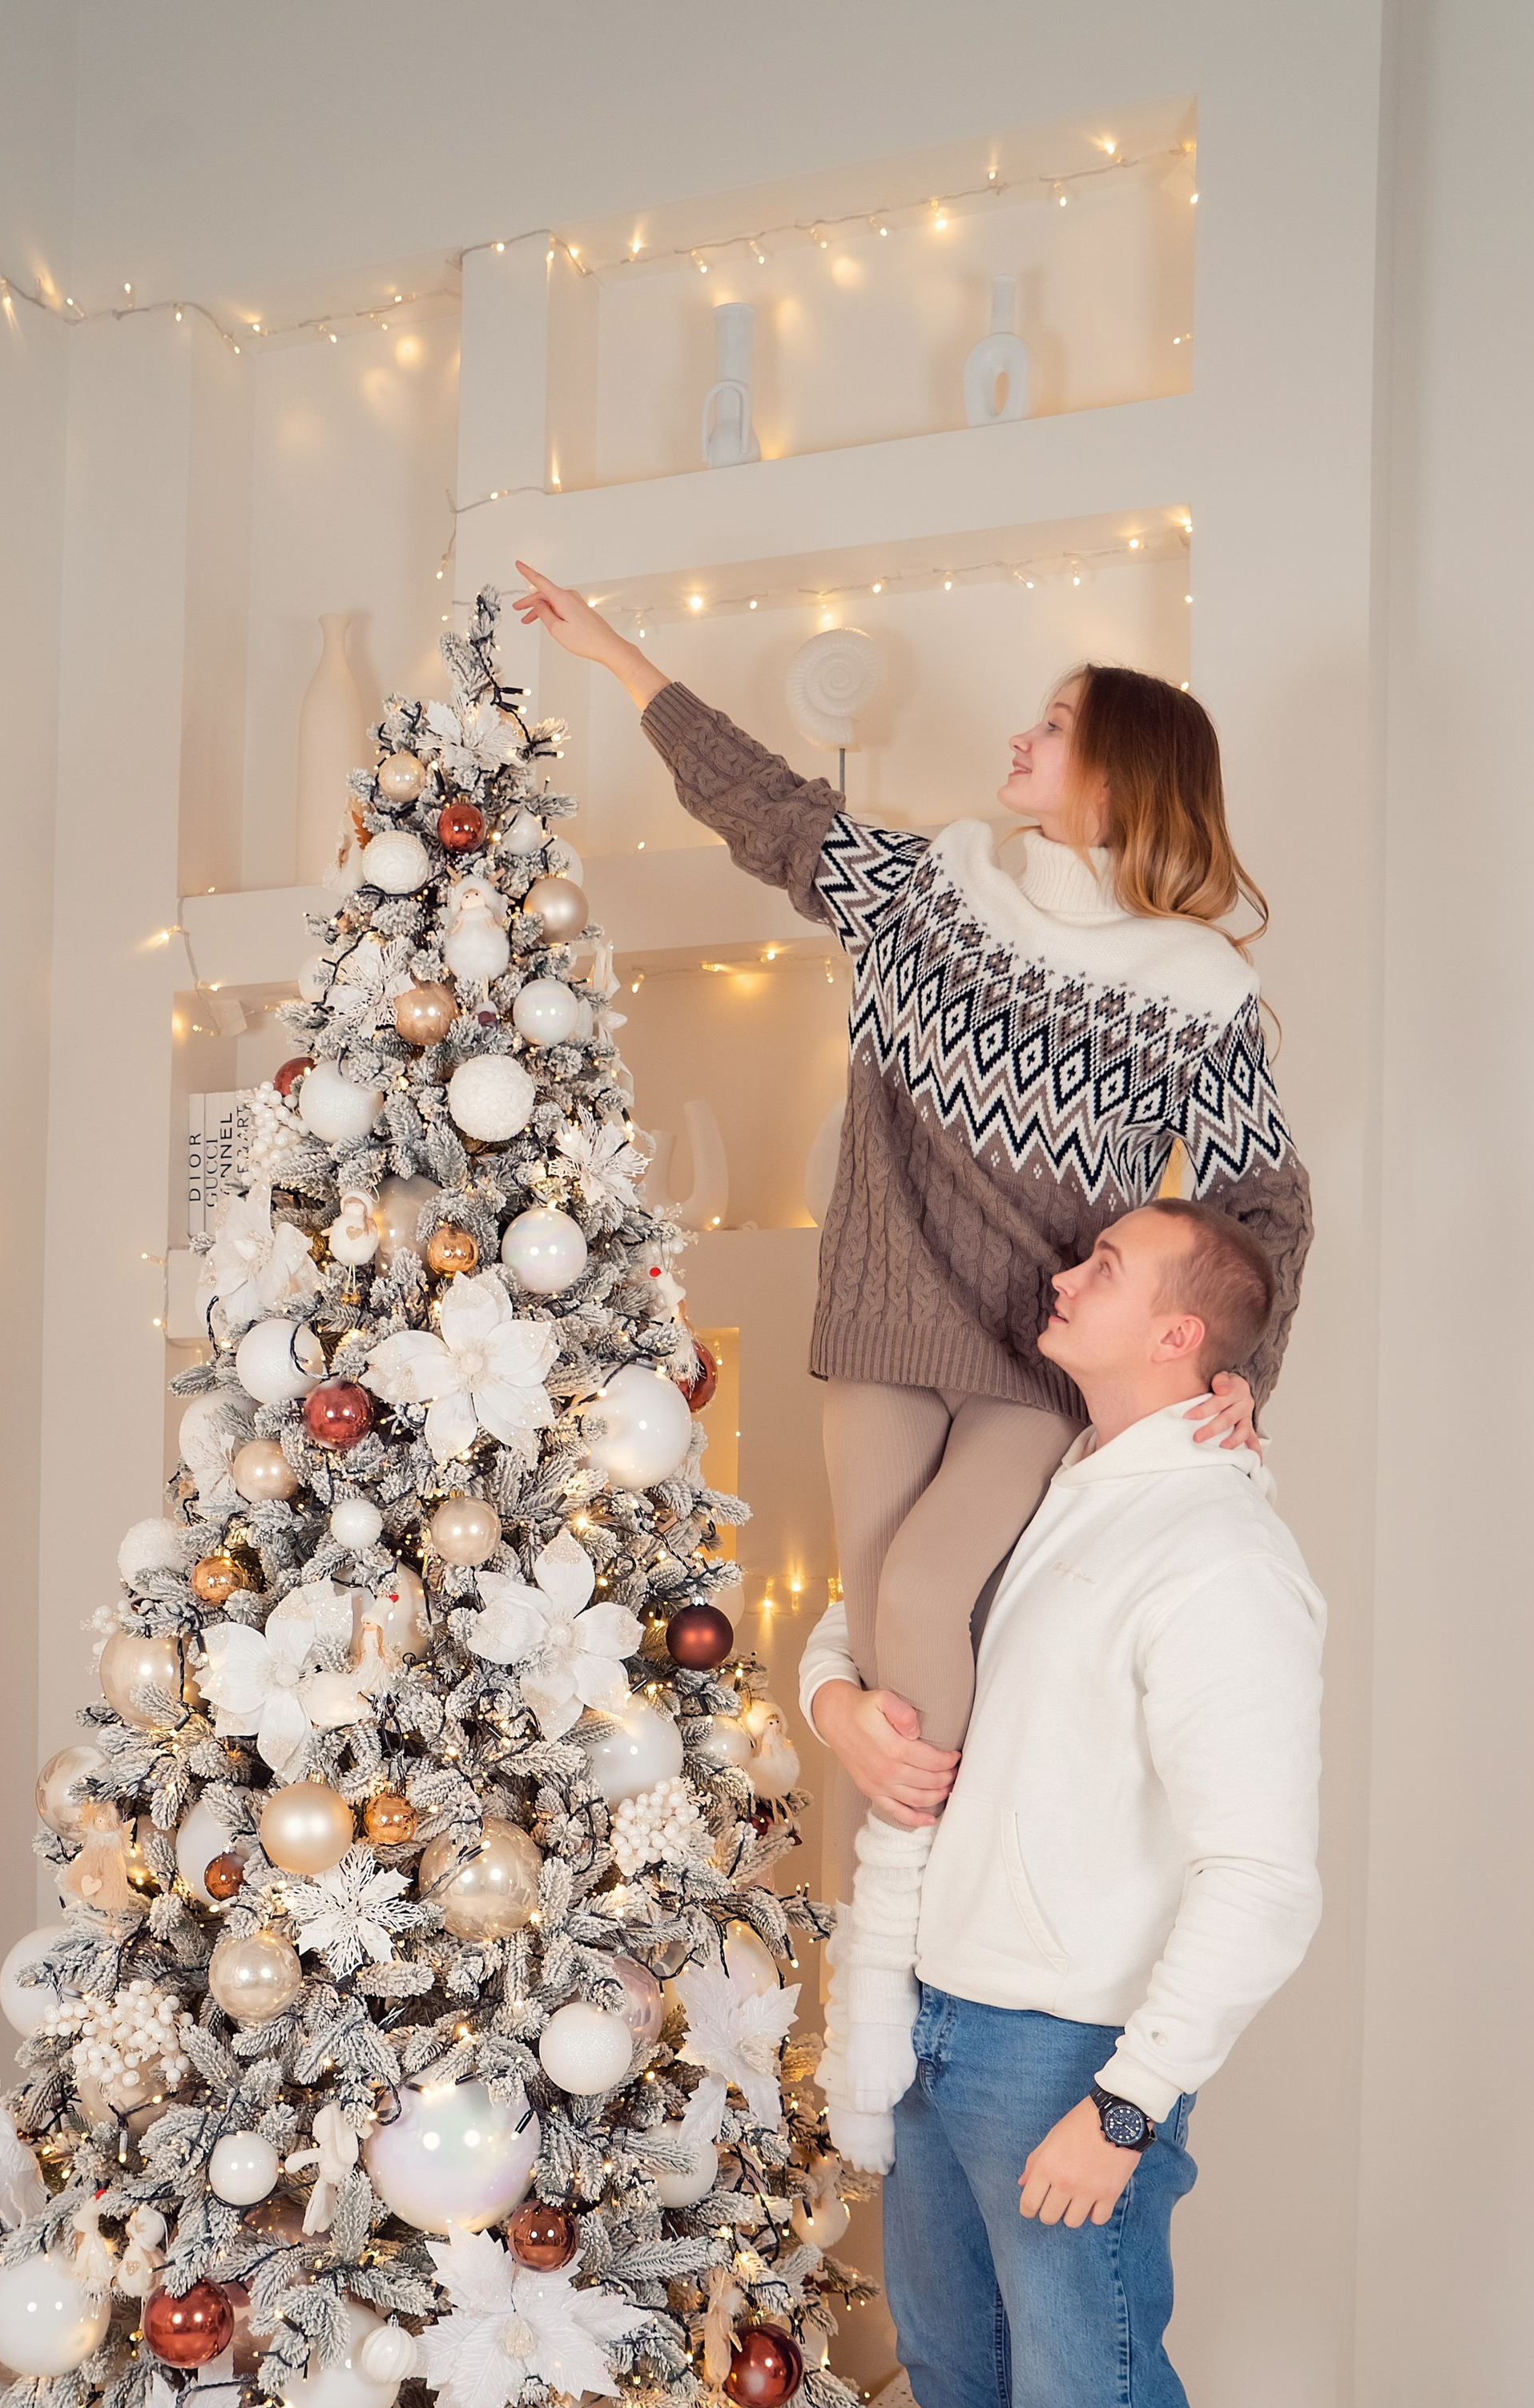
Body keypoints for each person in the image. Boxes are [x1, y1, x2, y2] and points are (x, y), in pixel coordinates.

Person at [512, 562, 1312, 2116]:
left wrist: (1230, 1380)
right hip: (880, 1323)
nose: (1021, 735)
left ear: (1118, 773)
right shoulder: (926, 891)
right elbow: (763, 806)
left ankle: (884, 1969)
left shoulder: (1193, 991)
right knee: (876, 1632)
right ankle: (889, 1993)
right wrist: (614, 658)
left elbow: (1260, 1210)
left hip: (1030, 1353)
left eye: (1056, 724)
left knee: (936, 1588)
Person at [799, 1198, 1325, 2408]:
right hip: (937, 2013)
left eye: (1104, 1268)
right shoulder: (1044, 1488)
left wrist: (1127, 2104)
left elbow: (1262, 1881)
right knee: (959, 2374)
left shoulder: (1218, 1557)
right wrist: (838, 1717)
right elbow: (868, 1623)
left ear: (1186, 1341)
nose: (1060, 1274)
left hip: (1063, 2053)